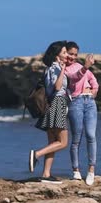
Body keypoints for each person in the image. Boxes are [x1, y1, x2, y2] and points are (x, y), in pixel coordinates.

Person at [28, 40, 69, 184]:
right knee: (63, 142)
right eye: (64, 52)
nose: (67, 55)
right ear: (56, 55)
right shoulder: (55, 68)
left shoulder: (52, 68)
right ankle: (36, 154)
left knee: (52, 142)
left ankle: (46, 174)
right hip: (57, 104)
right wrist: (63, 69)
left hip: (52, 105)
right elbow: (57, 88)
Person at [65, 41, 99, 185]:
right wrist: (86, 66)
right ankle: (76, 170)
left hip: (90, 103)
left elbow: (93, 80)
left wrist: (94, 91)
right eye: (70, 54)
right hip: (76, 103)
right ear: (64, 53)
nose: (72, 57)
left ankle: (91, 170)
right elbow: (74, 78)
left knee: (91, 136)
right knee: (76, 139)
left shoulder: (80, 66)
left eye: (75, 54)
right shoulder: (64, 69)